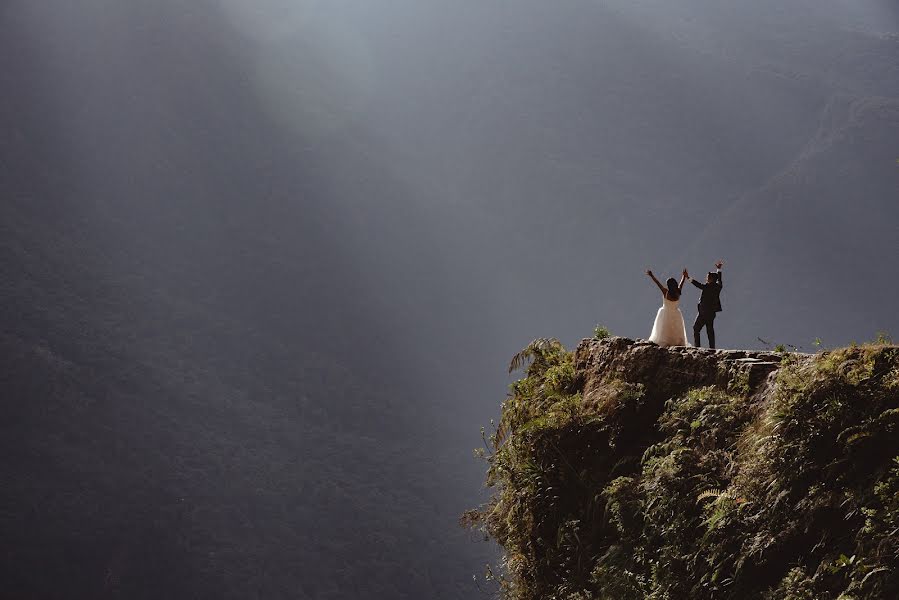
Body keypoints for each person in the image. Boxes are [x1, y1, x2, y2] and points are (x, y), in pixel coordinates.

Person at [646, 268, 690, 347]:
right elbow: (681, 283)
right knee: (675, 329)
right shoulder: (678, 293)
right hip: (676, 313)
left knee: (664, 329)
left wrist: (651, 275)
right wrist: (684, 276)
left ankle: (666, 343)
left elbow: (657, 283)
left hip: (666, 313)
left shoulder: (665, 292)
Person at [687, 260, 724, 348]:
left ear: (711, 279)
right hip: (712, 313)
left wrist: (688, 278)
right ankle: (712, 348)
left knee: (696, 328)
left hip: (704, 312)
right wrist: (718, 270)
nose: (706, 279)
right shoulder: (718, 286)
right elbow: (719, 280)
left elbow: (698, 285)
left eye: (707, 277)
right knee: (710, 330)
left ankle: (697, 347)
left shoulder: (707, 287)